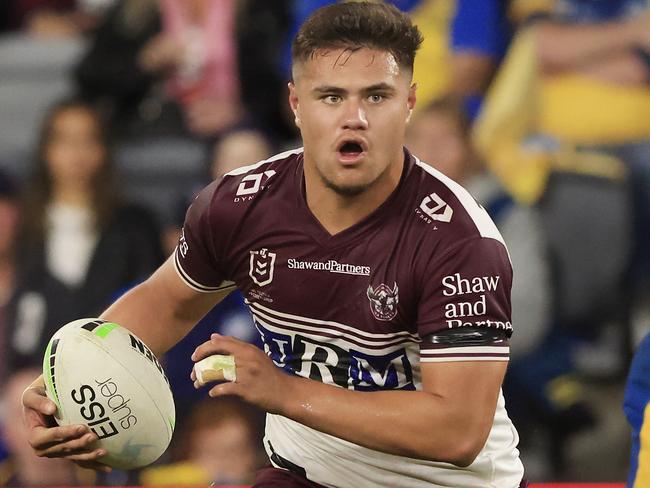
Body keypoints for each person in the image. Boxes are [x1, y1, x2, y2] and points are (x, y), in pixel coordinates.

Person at [21, 3, 526, 487]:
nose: (355, 118)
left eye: (377, 96)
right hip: (304, 474)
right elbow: (168, 301)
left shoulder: (459, 240)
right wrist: (65, 381)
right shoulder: (239, 205)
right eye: (331, 97)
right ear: (296, 104)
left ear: (409, 103)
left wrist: (284, 391)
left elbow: (457, 431)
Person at [6, 98, 164, 372]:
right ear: (46, 150)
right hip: (35, 371)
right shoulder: (21, 226)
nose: (76, 153)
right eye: (64, 141)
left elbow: (154, 302)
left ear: (104, 150)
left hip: (115, 368)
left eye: (88, 140)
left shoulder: (135, 225)